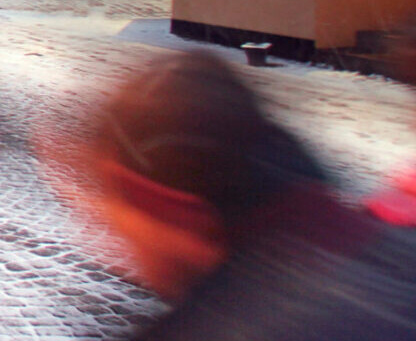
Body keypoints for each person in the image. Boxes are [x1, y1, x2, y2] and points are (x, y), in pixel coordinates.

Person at [62, 49, 416, 339]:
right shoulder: (388, 242)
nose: (105, 243)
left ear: (166, 206)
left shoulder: (246, 324)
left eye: (114, 213)